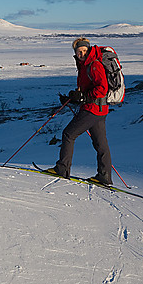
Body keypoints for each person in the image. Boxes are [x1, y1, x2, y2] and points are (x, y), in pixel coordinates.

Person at [45, 37, 113, 185]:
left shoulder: (94, 65)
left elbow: (102, 89)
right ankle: (104, 176)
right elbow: (87, 90)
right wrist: (73, 98)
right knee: (101, 144)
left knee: (68, 134)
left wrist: (83, 96)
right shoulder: (85, 65)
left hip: (93, 109)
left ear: (88, 50)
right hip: (100, 110)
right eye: (78, 51)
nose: (81, 54)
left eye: (83, 51)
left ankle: (62, 169)